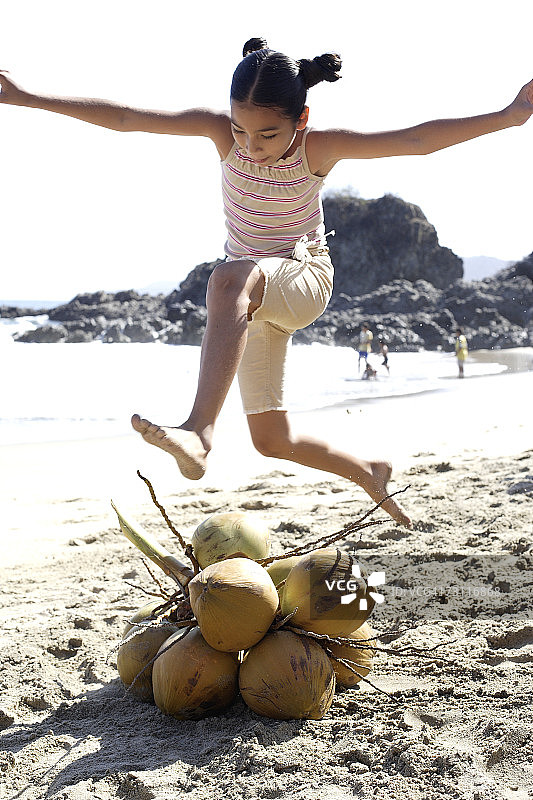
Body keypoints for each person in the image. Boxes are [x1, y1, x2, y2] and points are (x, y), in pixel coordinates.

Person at [2, 41, 532, 529]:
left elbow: (417, 141)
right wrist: (26, 97)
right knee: (271, 439)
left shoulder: (316, 149)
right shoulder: (221, 136)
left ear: (302, 119)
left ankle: (199, 432)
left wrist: (509, 117)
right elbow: (123, 117)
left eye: (268, 134)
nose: (250, 146)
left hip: (302, 278)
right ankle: (370, 471)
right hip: (252, 299)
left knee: (229, 275)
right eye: (239, 130)